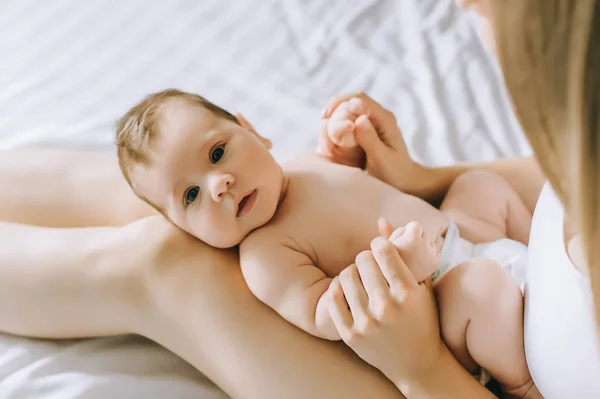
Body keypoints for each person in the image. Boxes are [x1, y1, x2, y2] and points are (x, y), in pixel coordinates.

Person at [0, 0, 598, 398]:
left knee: (169, 259)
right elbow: (564, 168)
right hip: (473, 244)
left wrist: (420, 366)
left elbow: (334, 310)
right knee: (152, 195)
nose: (465, 6)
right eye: (195, 190)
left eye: (219, 154)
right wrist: (419, 181)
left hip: (437, 353)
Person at [114, 88, 535, 396]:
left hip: (458, 232)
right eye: (191, 196)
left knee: (481, 185)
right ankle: (527, 385)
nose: (218, 185)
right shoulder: (265, 257)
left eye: (218, 153)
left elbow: (353, 179)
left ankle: (536, 259)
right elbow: (329, 313)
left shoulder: (302, 163)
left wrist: (345, 141)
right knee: (483, 289)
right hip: (441, 298)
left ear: (253, 132)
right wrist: (402, 268)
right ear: (184, 229)